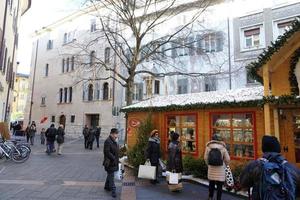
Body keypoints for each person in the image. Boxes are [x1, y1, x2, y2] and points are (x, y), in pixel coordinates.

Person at [240, 135, 300, 199]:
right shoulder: (292, 168)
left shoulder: (255, 165)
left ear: (263, 148)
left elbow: (243, 183)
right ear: (278, 148)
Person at [204, 134, 230, 200]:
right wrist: (225, 164)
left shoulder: (208, 147)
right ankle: (218, 198)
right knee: (219, 185)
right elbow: (227, 159)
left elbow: (205, 158)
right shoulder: (223, 148)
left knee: (211, 184)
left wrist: (208, 164)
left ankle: (210, 197)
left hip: (211, 168)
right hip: (220, 169)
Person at [103, 128, 119, 198]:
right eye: (116, 134)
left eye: (117, 133)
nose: (117, 135)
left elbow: (115, 150)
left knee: (110, 174)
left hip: (114, 161)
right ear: (112, 134)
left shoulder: (114, 140)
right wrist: (113, 158)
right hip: (109, 162)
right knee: (111, 176)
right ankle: (113, 191)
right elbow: (107, 152)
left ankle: (106, 186)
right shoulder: (108, 141)